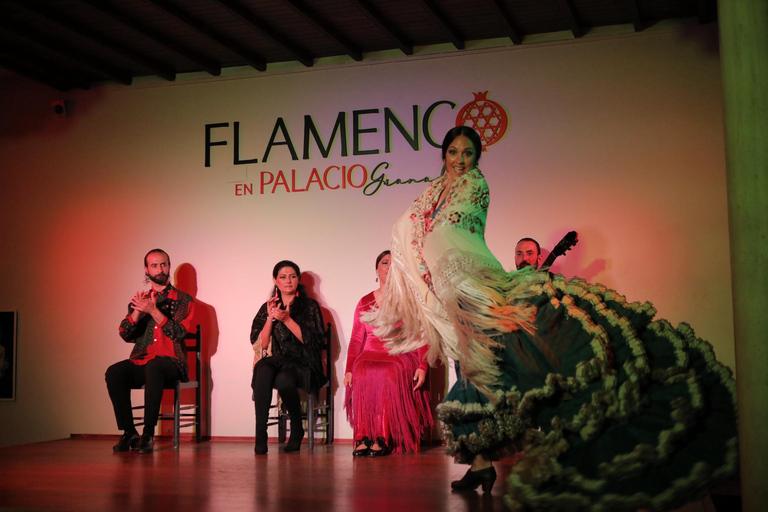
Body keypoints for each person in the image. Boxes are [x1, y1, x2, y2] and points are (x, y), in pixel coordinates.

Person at [362, 126, 738, 509]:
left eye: (469, 153)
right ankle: (480, 463)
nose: (460, 160)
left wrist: (458, 286)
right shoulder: (433, 192)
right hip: (450, 296)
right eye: (454, 152)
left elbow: (450, 233)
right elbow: (411, 229)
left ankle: (592, 438)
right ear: (443, 154)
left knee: (517, 366)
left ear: (477, 159)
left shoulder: (476, 187)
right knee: (472, 375)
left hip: (472, 284)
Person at [343, 250, 433, 457]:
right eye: (385, 263)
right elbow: (357, 340)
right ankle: (364, 436)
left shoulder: (410, 299)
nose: (390, 267)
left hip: (399, 352)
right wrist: (349, 368)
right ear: (377, 270)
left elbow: (421, 334)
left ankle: (383, 437)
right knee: (362, 370)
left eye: (395, 264)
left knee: (388, 371)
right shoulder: (365, 301)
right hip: (370, 352)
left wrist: (422, 365)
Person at [106, 249, 195, 454]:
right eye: (154, 265)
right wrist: (138, 311)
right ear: (146, 270)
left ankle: (148, 434)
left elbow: (180, 333)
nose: (159, 269)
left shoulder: (184, 299)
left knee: (155, 366)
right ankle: (130, 432)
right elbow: (125, 334)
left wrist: (154, 311)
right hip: (142, 360)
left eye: (163, 264)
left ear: (169, 266)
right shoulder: (140, 300)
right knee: (114, 372)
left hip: (172, 362)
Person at [250, 260, 327, 454]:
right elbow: (262, 344)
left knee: (284, 379)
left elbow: (314, 342)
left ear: (299, 280)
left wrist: (287, 319)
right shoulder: (269, 306)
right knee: (263, 368)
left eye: (292, 276)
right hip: (279, 360)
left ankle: (297, 430)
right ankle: (261, 433)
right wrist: (270, 318)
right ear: (275, 280)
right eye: (283, 277)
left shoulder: (310, 306)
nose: (288, 281)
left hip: (304, 362)